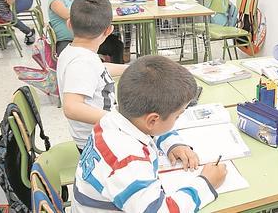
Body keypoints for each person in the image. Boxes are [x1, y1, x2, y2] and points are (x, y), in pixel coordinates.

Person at [72, 55, 228, 212]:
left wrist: (172, 143)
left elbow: (149, 128)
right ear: (153, 120)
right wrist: (206, 183)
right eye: (178, 115)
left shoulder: (111, 120)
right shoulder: (128, 162)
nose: (178, 119)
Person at [56, 0, 127, 152]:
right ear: (109, 31)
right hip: (98, 141)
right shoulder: (82, 62)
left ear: (69, 24)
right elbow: (72, 107)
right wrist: (119, 120)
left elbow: (98, 70)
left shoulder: (76, 52)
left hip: (100, 133)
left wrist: (130, 68)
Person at [48, 0, 124, 63]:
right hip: (68, 42)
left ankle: (115, 74)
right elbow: (72, 16)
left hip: (85, 38)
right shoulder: (56, 0)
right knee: (113, 45)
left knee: (116, 44)